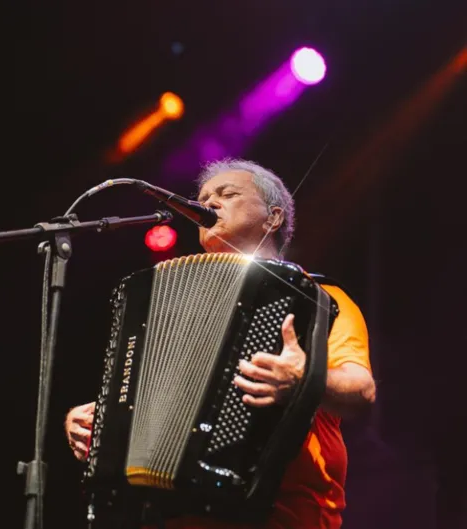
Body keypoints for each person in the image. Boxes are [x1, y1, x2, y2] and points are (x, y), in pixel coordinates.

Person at [65, 158, 376, 529]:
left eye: (227, 194)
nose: (209, 204)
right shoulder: (169, 298)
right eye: (204, 197)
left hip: (284, 516)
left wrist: (305, 379)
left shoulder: (322, 299)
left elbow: (361, 393)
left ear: (273, 218)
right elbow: (149, 393)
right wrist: (97, 425)